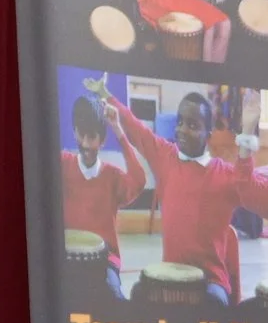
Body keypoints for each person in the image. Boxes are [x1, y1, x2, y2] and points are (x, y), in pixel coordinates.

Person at [103, 90, 258, 303]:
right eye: (180, 122)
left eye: (193, 126)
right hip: (170, 275)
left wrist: (248, 131)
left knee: (216, 305)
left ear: (209, 135)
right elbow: (137, 129)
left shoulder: (224, 174)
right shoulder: (166, 156)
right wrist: (108, 96)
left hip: (210, 283)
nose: (182, 130)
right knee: (139, 294)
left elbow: (247, 184)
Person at [63, 94, 148, 295]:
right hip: (67, 257)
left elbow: (139, 180)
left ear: (102, 140)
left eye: (91, 137)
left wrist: (118, 129)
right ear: (74, 131)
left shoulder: (112, 176)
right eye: (80, 134)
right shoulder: (63, 164)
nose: (84, 143)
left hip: (105, 258)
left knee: (113, 296)